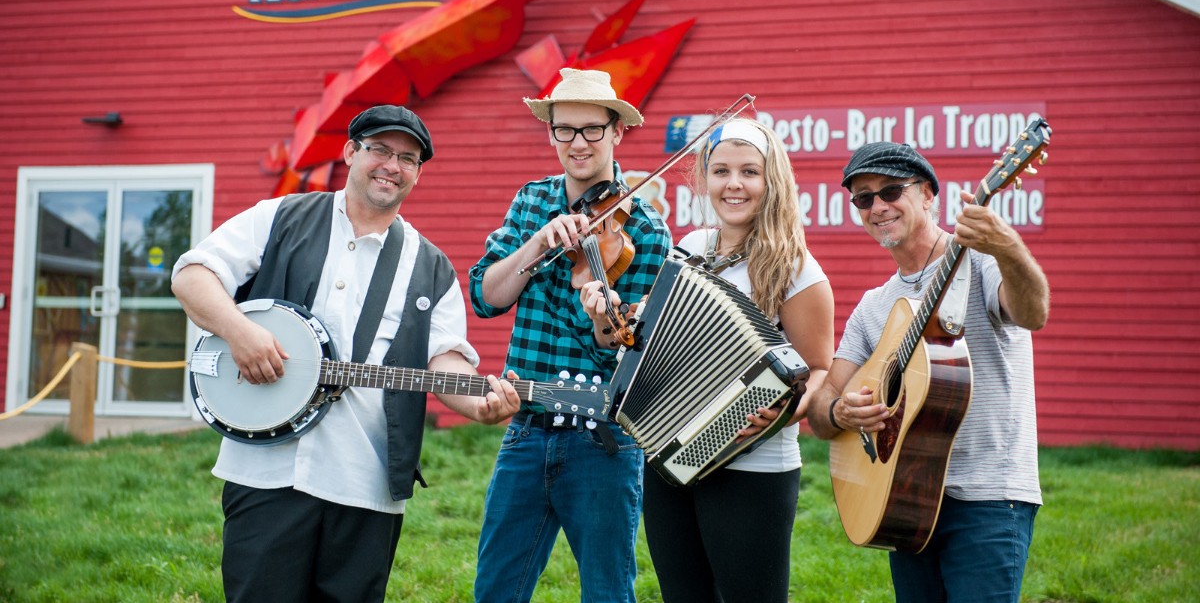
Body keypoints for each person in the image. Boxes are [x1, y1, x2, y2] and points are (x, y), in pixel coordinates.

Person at [171, 105, 521, 603]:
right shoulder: (281, 216)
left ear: (418, 174)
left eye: (408, 158)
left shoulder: (431, 267)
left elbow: (444, 360)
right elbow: (192, 276)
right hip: (266, 471)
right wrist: (240, 332)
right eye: (380, 149)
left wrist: (480, 405)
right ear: (351, 151)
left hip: (367, 481)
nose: (392, 166)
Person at [582, 117, 835, 603]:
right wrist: (610, 319)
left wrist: (782, 410)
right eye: (720, 172)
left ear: (772, 181)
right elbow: (651, 339)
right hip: (668, 455)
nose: (733, 184)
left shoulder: (798, 270)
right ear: (704, 180)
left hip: (753, 467)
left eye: (748, 172)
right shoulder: (692, 247)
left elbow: (819, 370)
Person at [809, 141, 1051, 603]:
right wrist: (842, 412)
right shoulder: (872, 307)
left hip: (988, 497)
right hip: (902, 498)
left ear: (927, 195)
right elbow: (821, 406)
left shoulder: (979, 264)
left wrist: (1009, 248)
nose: (878, 207)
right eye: (864, 198)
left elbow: (1033, 312)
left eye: (891, 191)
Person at [469, 68, 672, 603]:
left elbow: (629, 344)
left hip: (602, 439)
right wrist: (536, 244)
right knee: (495, 590)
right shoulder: (532, 201)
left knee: (607, 592)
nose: (578, 143)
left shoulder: (646, 229)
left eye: (592, 130)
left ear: (617, 133)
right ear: (552, 133)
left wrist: (604, 314)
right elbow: (487, 297)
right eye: (565, 130)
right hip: (527, 428)